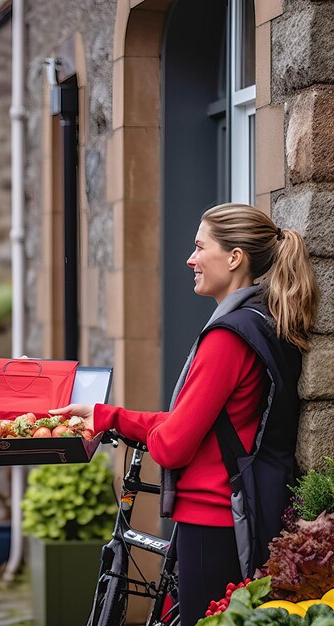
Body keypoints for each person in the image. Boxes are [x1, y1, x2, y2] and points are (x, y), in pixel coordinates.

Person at [50, 204, 319, 626]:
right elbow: (199, 421)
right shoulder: (267, 322)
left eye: (199, 247)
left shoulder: (227, 339)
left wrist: (154, 434)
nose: (190, 259)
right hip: (246, 511)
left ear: (234, 258)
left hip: (213, 520)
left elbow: (174, 444)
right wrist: (107, 415)